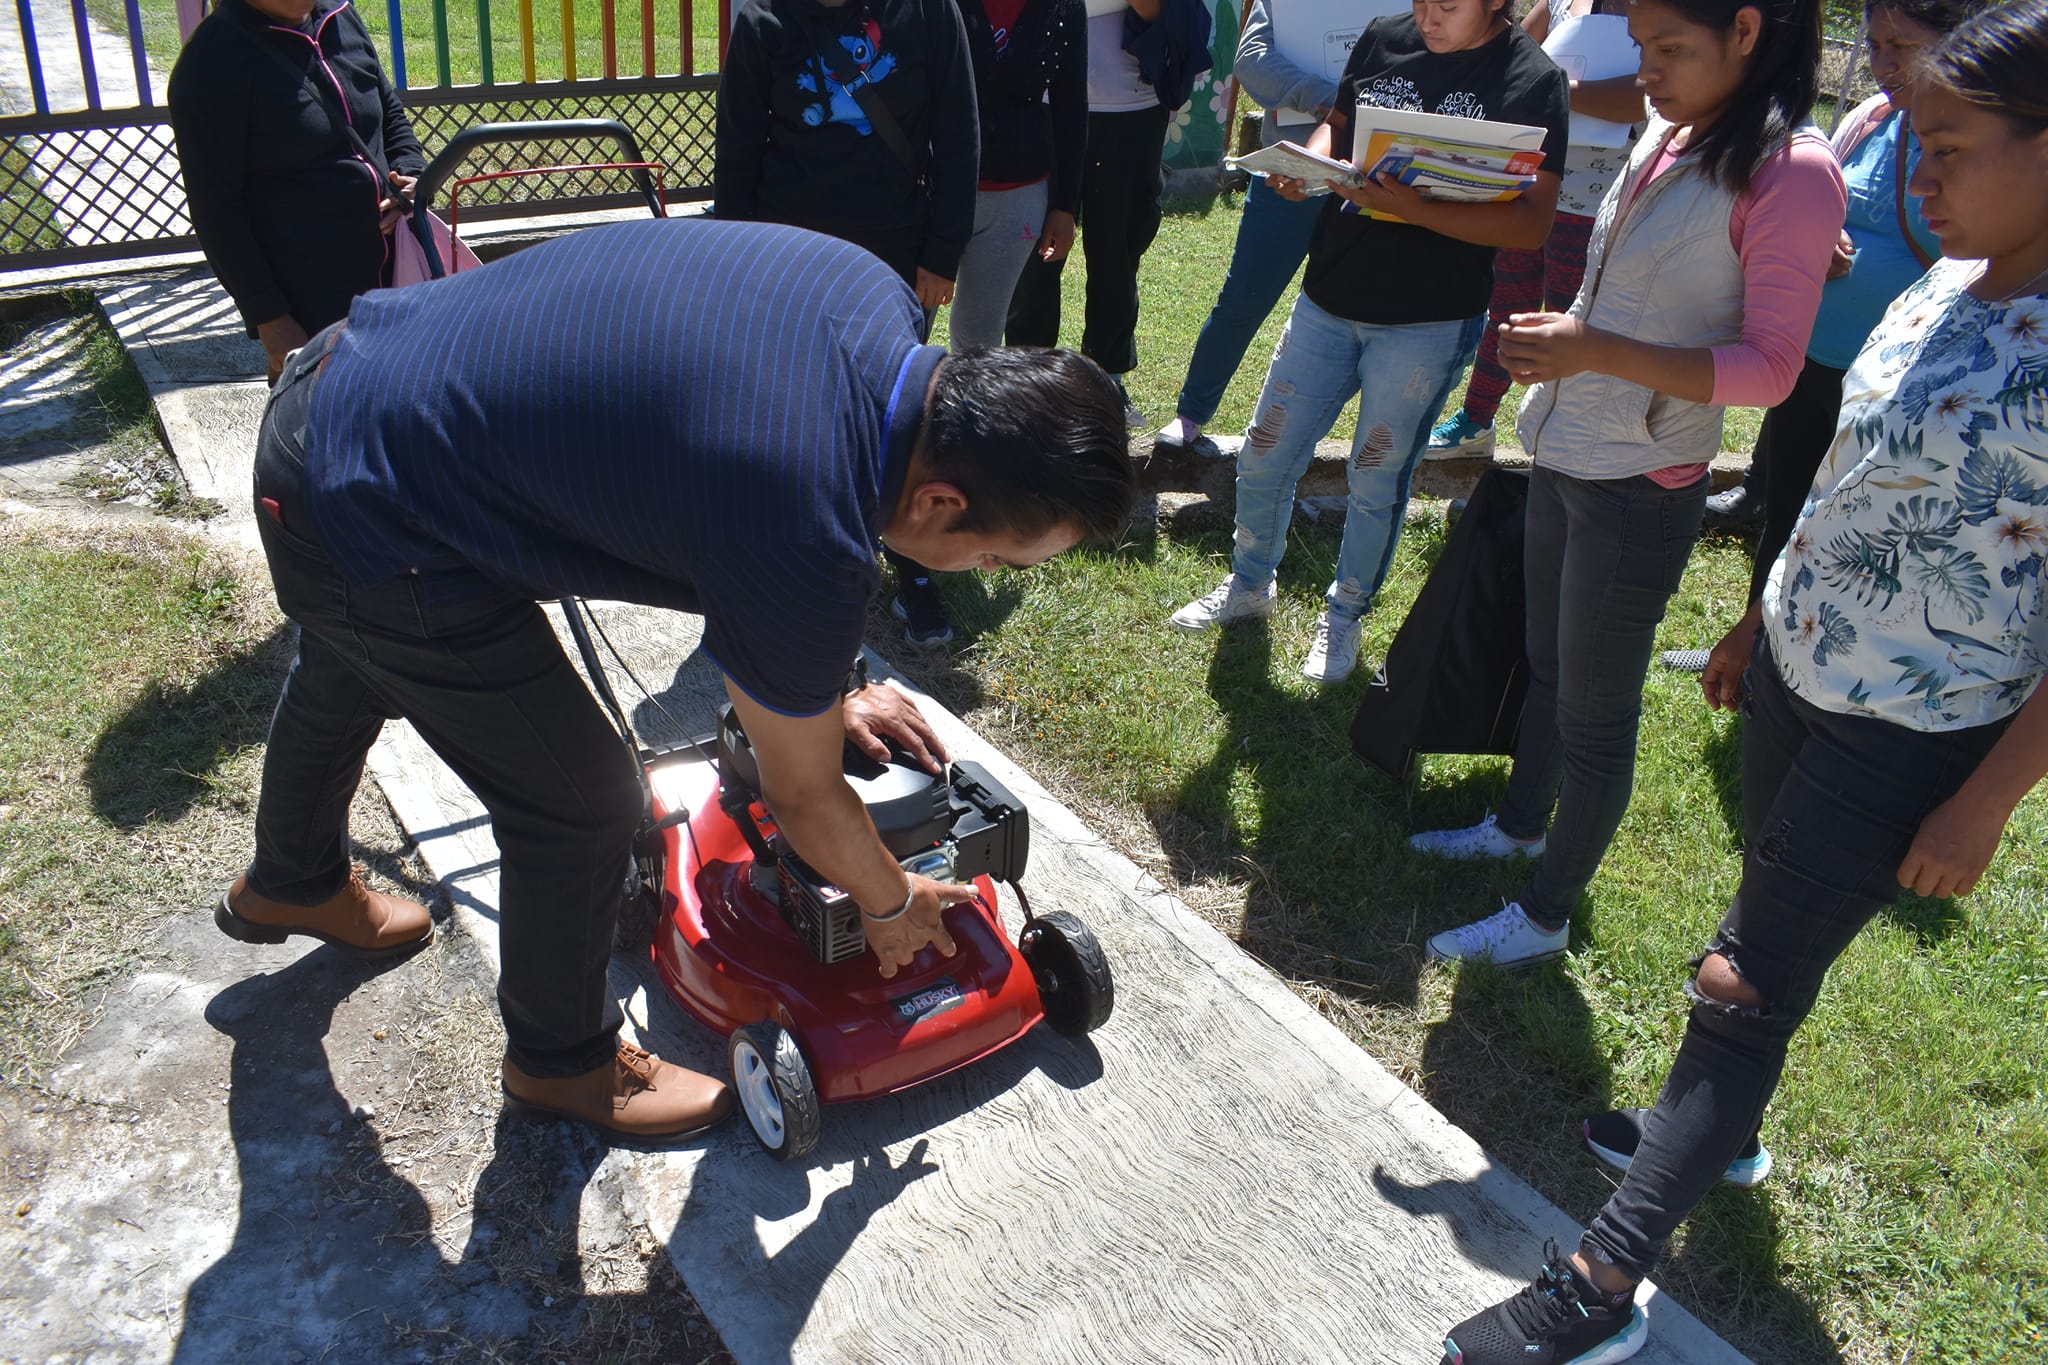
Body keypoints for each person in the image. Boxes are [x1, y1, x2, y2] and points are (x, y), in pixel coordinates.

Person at [216, 218, 1136, 1143]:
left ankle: (293, 878)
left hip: (342, 379)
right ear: (943, 500)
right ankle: (560, 1063)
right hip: (365, 502)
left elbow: (750, 473)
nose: (981, 572)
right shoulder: (803, 515)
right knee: (579, 804)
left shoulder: (866, 285)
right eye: (995, 555)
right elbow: (803, 793)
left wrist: (827, 673)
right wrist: (890, 904)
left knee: (353, 658)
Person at [1439, 4, 2048, 1359]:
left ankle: (1596, 1287)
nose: (1921, 177)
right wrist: (1757, 624)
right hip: (1797, 667)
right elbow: (1849, 473)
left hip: (1911, 728)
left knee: (1738, 980)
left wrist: (1986, 803)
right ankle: (1732, 1139)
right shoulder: (1954, 282)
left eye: (1949, 147)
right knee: (1762, 923)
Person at [1409, 0, 1844, 969]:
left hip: (1640, 482)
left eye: (1668, 49)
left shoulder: (1791, 170)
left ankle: (1543, 913)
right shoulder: (1678, 130)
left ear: (1745, 30)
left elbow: (1770, 370)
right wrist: (1571, 342)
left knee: (1595, 717)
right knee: (1548, 665)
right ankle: (1520, 824)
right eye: (1641, 45)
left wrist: (1588, 345)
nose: (1642, 70)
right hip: (1573, 450)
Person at [1166, 0, 1571, 685]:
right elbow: (1339, 129)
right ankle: (1250, 582)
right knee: (1265, 450)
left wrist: (1417, 210)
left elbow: (1532, 223)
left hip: (1429, 319)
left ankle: (1344, 615)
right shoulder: (1385, 39)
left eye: (1449, 3)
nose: (1427, 14)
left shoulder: (1533, 80)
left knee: (1376, 477)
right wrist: (1309, 164)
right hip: (1331, 294)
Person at [1658, 0, 1980, 676]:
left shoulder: (1982, 147)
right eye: (1875, 43)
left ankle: (1806, 670)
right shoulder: (1871, 120)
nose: (1883, 61)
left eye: (1902, 45)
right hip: (1812, 363)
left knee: (1853, 533)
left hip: (1896, 389)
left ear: (1959, 42)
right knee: (1786, 520)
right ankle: (1756, 664)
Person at [715, 0, 982, 646]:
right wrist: (732, 262)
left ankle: (911, 567)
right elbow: (739, 151)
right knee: (783, 418)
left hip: (893, 258)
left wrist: (942, 253)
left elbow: (959, 132)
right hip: (786, 258)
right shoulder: (762, 23)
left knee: (895, 418)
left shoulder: (928, 14)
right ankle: (786, 563)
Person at [1425, 0, 1645, 460]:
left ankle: (1564, 438)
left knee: (1574, 321)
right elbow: (1514, 54)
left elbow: (1645, 95)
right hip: (1534, 181)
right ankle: (1476, 420)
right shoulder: (1559, 2)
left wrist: (1559, 88)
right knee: (1507, 306)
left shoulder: (1657, 12)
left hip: (1602, 200)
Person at [168, 0, 424, 384]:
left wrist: (413, 172)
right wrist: (269, 316)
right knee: (330, 430)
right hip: (314, 306)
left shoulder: (340, 16)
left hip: (399, 278)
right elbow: (215, 209)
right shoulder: (212, 60)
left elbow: (389, 111)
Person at [1152, 0, 1339, 460]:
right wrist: (1329, 97)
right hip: (1287, 165)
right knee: (1244, 298)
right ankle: (1191, 414)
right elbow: (1251, 60)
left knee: (1358, 315)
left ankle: (1326, 439)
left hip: (1378, 169)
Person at [1006, 0, 1207, 428]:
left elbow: (1166, 16)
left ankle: (1106, 379)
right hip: (1041, 98)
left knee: (1117, 250)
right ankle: (1027, 381)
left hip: (1130, 106)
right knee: (1033, 250)